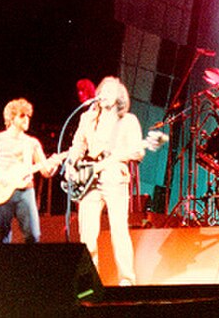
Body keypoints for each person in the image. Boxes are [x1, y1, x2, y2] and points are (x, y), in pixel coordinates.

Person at [66, 76, 143, 286]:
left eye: (110, 90)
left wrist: (111, 160)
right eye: (103, 90)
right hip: (89, 181)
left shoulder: (127, 120)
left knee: (119, 231)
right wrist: (71, 165)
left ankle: (127, 280)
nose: (105, 94)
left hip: (114, 179)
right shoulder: (87, 118)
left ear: (119, 96)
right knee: (87, 235)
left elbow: (138, 150)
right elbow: (77, 145)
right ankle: (89, 282)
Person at [0, 98, 57, 243]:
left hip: (25, 192)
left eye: (28, 116)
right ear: (11, 118)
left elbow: (45, 171)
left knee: (33, 236)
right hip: (3, 191)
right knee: (3, 238)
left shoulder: (32, 143)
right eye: (22, 115)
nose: (26, 119)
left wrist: (53, 165)